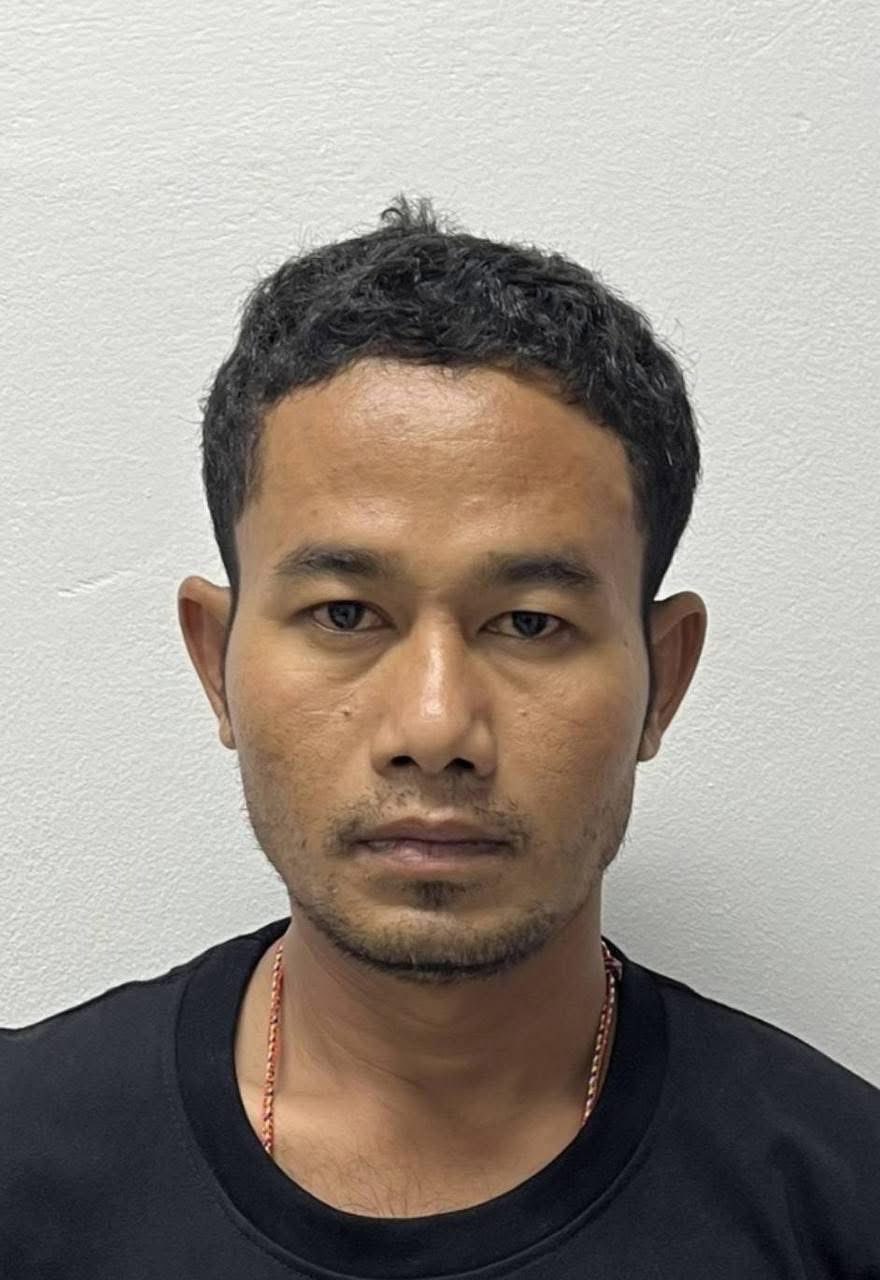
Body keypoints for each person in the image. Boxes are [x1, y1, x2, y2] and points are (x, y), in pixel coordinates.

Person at [2, 195, 877, 1279]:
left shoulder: (840, 1207)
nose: (433, 727)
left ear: (665, 679)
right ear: (215, 660)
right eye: (344, 614)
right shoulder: (24, 1161)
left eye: (529, 623)